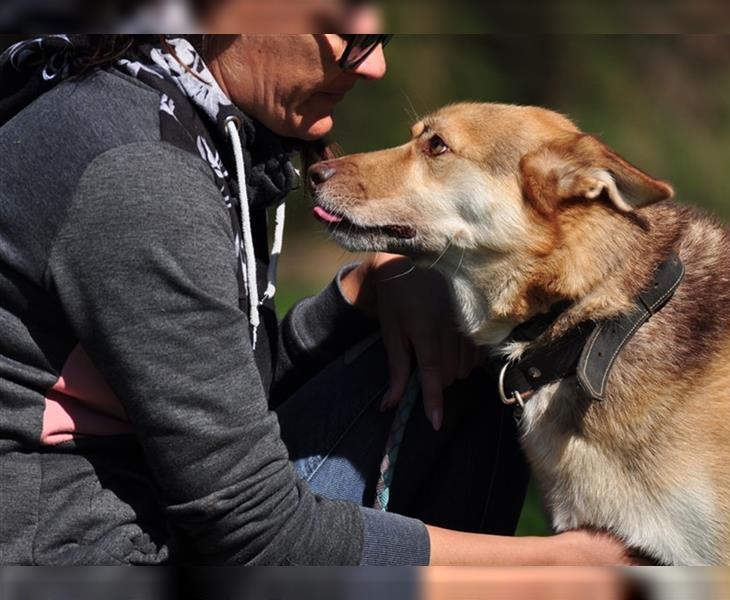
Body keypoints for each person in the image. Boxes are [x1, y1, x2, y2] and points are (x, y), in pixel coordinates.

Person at [0, 32, 636, 565]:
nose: (374, 63)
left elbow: (215, 394)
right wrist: (557, 568)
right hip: (92, 555)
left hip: (162, 505)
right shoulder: (142, 173)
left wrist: (364, 292)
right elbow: (257, 528)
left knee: (462, 337)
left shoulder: (198, 125)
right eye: (346, 29)